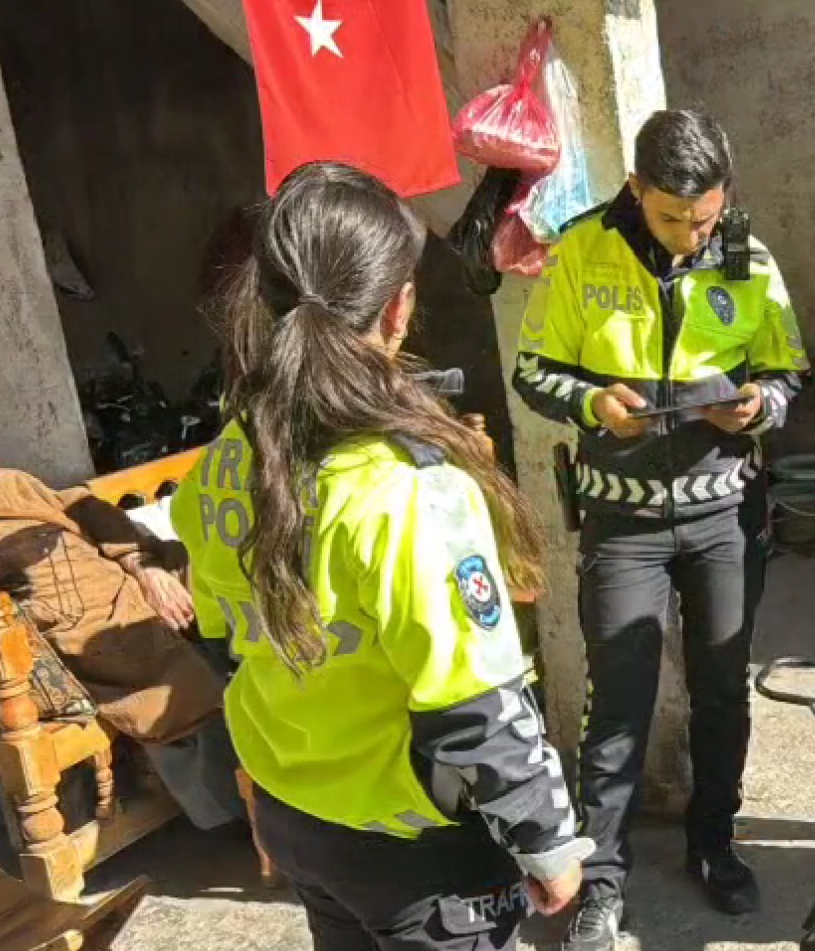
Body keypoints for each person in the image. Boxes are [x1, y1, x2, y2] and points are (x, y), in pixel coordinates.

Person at [172, 161, 588, 951]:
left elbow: (229, 643)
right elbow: (477, 702)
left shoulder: (230, 455)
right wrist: (549, 842)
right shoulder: (409, 488)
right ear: (398, 306)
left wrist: (264, 788)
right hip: (415, 849)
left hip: (300, 816)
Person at [510, 109, 809, 950]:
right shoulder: (577, 254)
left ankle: (714, 845)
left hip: (724, 515)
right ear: (635, 189)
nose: (689, 236)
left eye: (705, 218)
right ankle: (600, 882)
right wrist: (591, 404)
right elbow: (534, 370)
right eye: (672, 217)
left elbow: (789, 369)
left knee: (722, 688)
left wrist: (758, 406)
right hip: (623, 519)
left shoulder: (748, 258)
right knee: (618, 702)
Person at [0, 462, 240, 830]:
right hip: (91, 638)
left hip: (139, 579)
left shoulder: (7, 484)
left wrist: (143, 565)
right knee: (174, 691)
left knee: (236, 581)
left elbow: (87, 508)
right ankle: (247, 808)